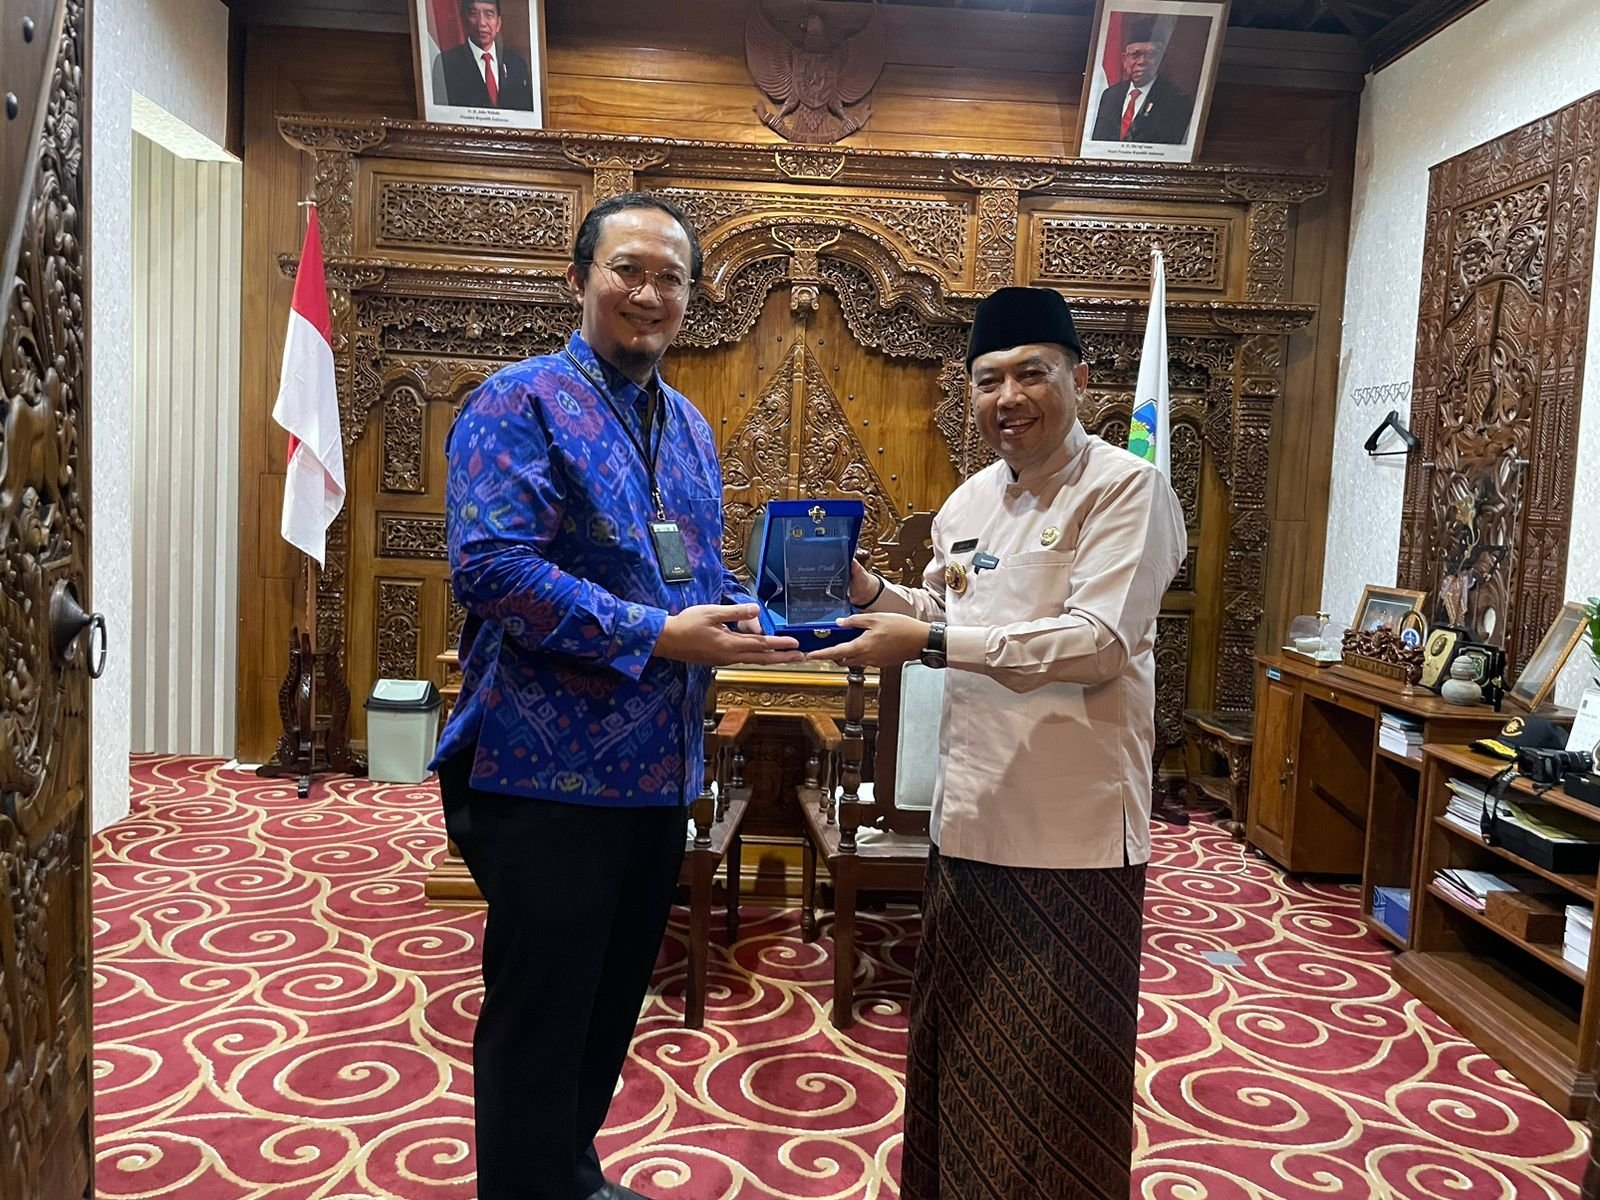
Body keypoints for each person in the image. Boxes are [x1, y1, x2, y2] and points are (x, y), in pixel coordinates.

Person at [432, 193, 802, 1200]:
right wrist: (658, 635)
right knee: (541, 1017)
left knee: (606, 1006)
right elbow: (492, 569)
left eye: (669, 277)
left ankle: (571, 1175)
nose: (648, 293)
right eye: (627, 270)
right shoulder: (518, 401)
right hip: (540, 775)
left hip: (656, 771)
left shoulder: (686, 426)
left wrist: (765, 611)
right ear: (579, 279)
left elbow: (685, 575)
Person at [809, 286, 1186, 1199]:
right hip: (968, 820)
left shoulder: (1129, 490)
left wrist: (932, 642)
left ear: (1080, 380)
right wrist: (865, 591)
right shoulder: (968, 501)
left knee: (1052, 1079)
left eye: (1031, 374)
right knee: (965, 1054)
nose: (1008, 397)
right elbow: (947, 608)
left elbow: (1097, 643)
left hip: (1069, 839)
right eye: (988, 380)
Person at [1091, 19, 1195, 144]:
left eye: (1151, 54)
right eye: (1135, 54)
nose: (1142, 61)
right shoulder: (1110, 95)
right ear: (1125, 60)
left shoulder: (1176, 99)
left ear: (1163, 59)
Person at [434, 0, 536, 110]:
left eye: (489, 14)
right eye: (474, 14)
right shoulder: (447, 63)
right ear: (464, 21)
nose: (482, 23)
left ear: (498, 23)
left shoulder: (517, 64)